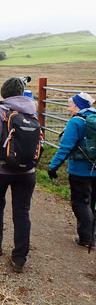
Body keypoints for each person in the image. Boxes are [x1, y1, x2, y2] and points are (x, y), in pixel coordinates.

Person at [0, 77, 38, 273]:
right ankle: (19, 258)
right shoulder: (32, 110)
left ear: (5, 91)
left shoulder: (1, 110)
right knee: (22, 211)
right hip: (27, 170)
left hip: (0, 169)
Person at [48, 92, 96, 248]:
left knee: (80, 203)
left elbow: (65, 147)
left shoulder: (76, 122)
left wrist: (53, 166)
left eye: (70, 105)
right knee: (92, 203)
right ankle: (92, 236)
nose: (68, 109)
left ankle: (86, 238)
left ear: (77, 106)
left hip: (80, 170)